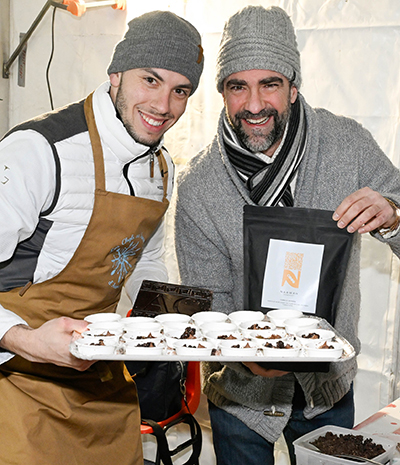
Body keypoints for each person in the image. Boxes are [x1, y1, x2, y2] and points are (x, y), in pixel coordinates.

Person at [173, 5, 400, 465]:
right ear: (222, 92)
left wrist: (393, 216)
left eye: (270, 84)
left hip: (328, 387)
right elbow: (208, 301)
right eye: (238, 86)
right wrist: (249, 357)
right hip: (242, 395)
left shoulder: (347, 144)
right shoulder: (199, 186)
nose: (254, 106)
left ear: (294, 87)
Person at [0, 10, 203, 465]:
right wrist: (27, 341)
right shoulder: (39, 151)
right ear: (115, 74)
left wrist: (170, 327)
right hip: (16, 378)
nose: (163, 106)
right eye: (150, 80)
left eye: (180, 91)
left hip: (100, 382)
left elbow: (142, 259)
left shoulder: (161, 168)